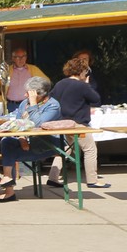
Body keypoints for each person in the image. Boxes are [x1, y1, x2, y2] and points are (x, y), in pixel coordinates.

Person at [0, 76, 62, 203]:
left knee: (10, 154)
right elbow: (18, 124)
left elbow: (37, 124)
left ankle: (8, 189)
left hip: (46, 145)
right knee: (6, 141)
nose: (25, 95)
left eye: (28, 93)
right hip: (28, 142)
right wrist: (21, 139)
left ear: (39, 94)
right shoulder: (24, 103)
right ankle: (7, 177)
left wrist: (33, 103)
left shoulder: (53, 105)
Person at [47, 56, 107, 190]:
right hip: (78, 124)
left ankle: (53, 177)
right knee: (90, 149)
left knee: (65, 149)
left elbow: (52, 99)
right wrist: (87, 84)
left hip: (63, 123)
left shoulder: (60, 83)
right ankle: (92, 180)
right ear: (82, 71)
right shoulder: (82, 85)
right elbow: (96, 99)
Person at [0, 46, 48, 112]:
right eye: (17, 57)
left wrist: (38, 97)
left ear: (26, 57)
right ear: (13, 58)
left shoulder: (33, 69)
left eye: (23, 57)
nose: (21, 59)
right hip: (11, 105)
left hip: (28, 103)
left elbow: (46, 82)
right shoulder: (7, 71)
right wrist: (0, 99)